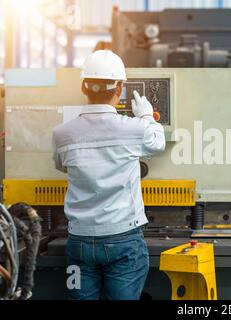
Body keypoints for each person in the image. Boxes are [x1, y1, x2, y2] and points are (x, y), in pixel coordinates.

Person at [52, 50, 166, 300]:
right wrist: (146, 115)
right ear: (120, 89)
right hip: (124, 241)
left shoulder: (61, 134)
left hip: (79, 242)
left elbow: (62, 166)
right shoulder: (134, 129)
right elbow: (158, 142)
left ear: (84, 86)